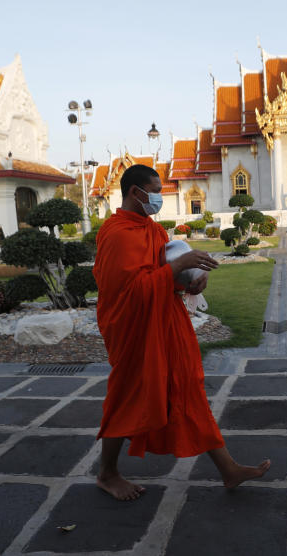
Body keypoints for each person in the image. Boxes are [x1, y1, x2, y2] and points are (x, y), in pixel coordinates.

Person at [93, 164, 270, 500]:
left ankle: (228, 470)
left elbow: (163, 281)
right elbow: (128, 294)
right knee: (128, 402)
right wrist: (176, 267)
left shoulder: (154, 231)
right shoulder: (116, 235)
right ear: (136, 192)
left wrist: (190, 283)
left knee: (189, 392)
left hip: (165, 324)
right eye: (155, 190)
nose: (159, 197)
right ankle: (107, 473)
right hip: (135, 333)